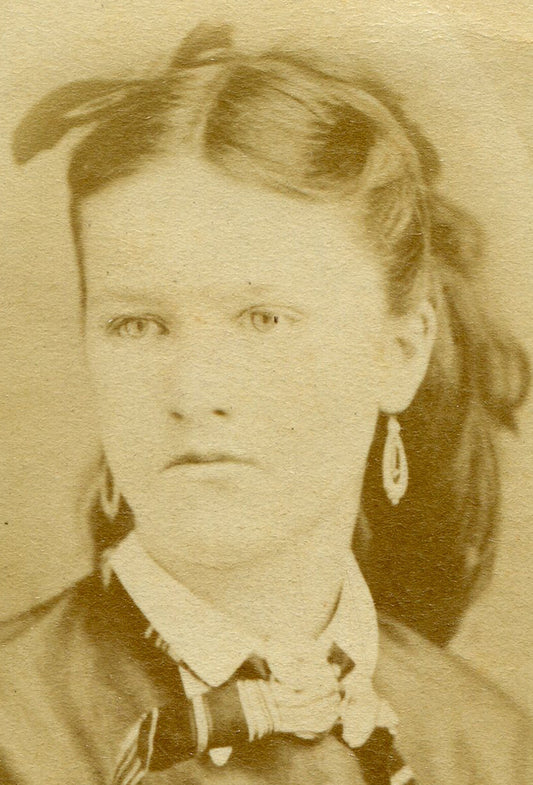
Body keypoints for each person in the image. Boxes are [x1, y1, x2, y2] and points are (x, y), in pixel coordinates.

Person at [1, 22, 531, 785]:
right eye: (136, 324)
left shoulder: (488, 746)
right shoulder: (15, 728)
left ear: (399, 351)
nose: (194, 392)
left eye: (264, 319)